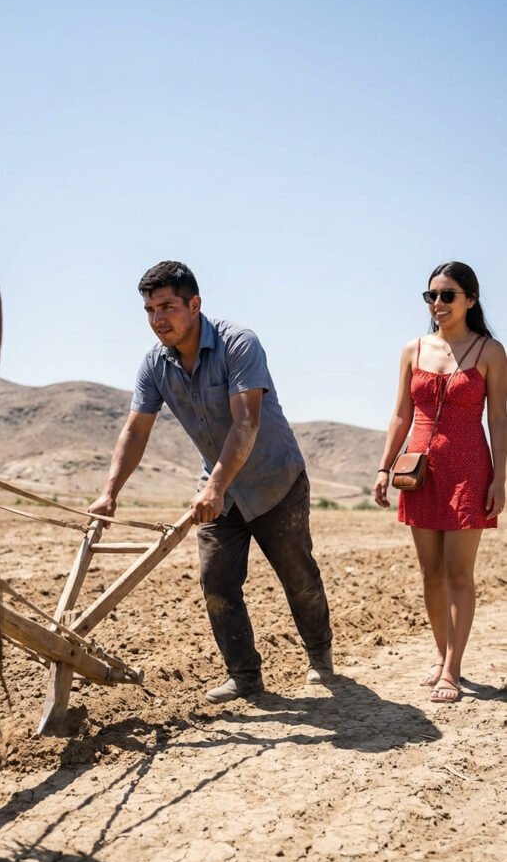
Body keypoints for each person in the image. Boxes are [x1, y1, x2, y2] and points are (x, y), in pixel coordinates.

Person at [89, 260, 333, 703]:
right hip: (219, 489)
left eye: (166, 307)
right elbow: (135, 430)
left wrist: (215, 486)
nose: (157, 319)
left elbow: (246, 422)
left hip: (274, 480)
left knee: (297, 575)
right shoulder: (154, 365)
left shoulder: (238, 343)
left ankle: (319, 656)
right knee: (216, 582)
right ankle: (244, 677)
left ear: (195, 304)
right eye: (149, 310)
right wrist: (109, 493)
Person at [373, 262, 507, 703]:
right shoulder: (413, 349)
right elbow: (401, 414)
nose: (437, 304)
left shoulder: (490, 351)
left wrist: (500, 479)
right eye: (431, 295)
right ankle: (439, 654)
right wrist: (383, 467)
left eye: (448, 295)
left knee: (457, 572)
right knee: (430, 572)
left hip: (469, 468)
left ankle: (453, 669)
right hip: (419, 470)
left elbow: (500, 420)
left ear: (471, 299)